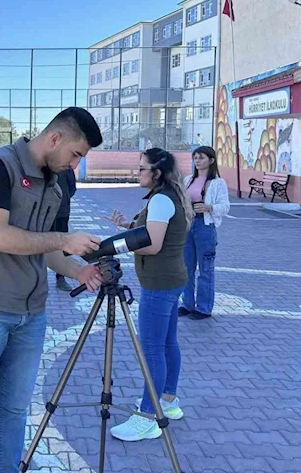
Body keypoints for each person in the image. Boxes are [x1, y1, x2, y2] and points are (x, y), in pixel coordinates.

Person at [0, 107, 105, 473]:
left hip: (31, 313)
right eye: (76, 154)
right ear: (55, 139)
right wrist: (66, 238)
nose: (76, 164)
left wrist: (78, 269)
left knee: (14, 409)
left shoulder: (53, 180)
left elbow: (44, 247)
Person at [107, 148, 193, 443]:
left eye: (142, 168)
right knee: (167, 343)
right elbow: (157, 233)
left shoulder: (160, 199)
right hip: (171, 279)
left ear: (156, 172)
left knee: (152, 349)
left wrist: (114, 245)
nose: (138, 172)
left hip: (159, 283)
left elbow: (154, 245)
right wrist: (128, 227)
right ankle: (167, 400)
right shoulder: (171, 196)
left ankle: (147, 416)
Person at [180, 146, 230, 320]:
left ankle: (204, 307)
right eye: (195, 157)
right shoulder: (188, 180)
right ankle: (187, 304)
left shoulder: (217, 183)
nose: (197, 161)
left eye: (201, 157)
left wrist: (209, 207)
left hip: (205, 225)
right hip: (188, 224)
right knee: (186, 267)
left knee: (205, 269)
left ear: (211, 160)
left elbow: (225, 206)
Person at [54, 167, 77, 292]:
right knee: (37, 243)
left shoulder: (66, 167)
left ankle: (60, 277)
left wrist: (64, 198)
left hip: (62, 212)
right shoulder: (41, 164)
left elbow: (72, 187)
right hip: (42, 213)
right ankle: (35, 277)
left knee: (63, 245)